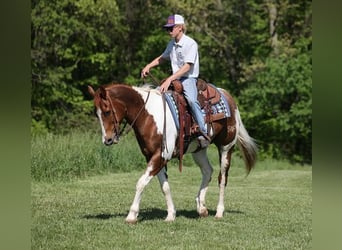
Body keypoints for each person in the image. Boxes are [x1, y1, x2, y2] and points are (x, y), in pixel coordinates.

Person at [141, 14, 210, 144]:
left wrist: (169, 79)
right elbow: (162, 57)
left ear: (180, 28)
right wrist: (148, 66)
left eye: (171, 28)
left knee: (191, 100)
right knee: (156, 94)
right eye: (168, 29)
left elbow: (187, 67)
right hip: (175, 78)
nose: (169, 31)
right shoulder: (172, 43)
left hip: (188, 78)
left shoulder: (191, 44)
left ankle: (203, 129)